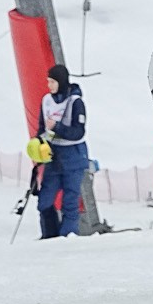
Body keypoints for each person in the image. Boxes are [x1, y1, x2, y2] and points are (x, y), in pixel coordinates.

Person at [33, 63, 90, 240]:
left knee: (70, 202)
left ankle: (67, 237)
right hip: (54, 156)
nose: (49, 85)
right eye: (48, 81)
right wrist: (37, 145)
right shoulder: (46, 101)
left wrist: (57, 127)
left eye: (52, 82)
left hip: (74, 156)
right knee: (45, 201)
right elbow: (43, 128)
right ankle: (49, 236)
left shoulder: (76, 102)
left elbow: (78, 132)